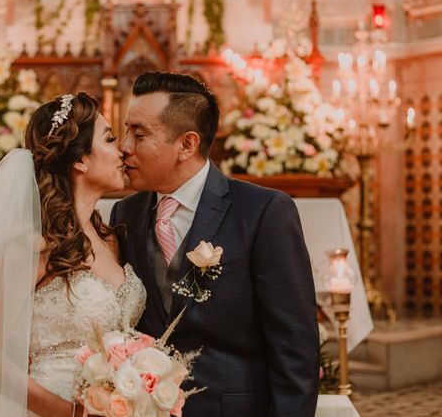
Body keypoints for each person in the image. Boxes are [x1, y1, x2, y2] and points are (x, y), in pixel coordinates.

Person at [0, 92, 146, 417]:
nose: (122, 149)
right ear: (80, 160)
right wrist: (73, 413)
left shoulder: (111, 238)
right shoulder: (33, 245)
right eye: (109, 139)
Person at [111, 71, 320, 417]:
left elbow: (295, 347)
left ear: (187, 145)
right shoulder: (125, 213)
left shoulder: (262, 212)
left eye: (139, 133)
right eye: (125, 131)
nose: (124, 146)